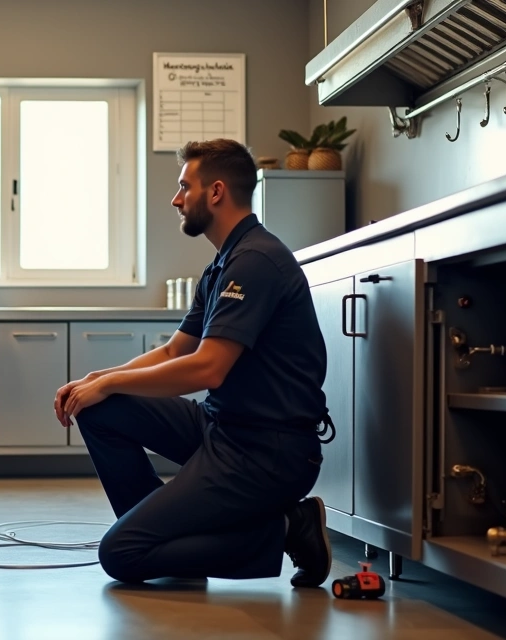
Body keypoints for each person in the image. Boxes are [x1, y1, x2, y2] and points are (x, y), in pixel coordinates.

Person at [53, 139, 335, 586]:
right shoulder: (224, 263)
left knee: (120, 555)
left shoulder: (255, 261)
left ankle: (289, 528)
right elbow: (172, 351)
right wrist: (99, 379)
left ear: (216, 192)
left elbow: (207, 369)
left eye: (185, 186)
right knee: (100, 406)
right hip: (222, 428)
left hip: (268, 452)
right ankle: (173, 547)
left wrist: (108, 383)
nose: (176, 198)